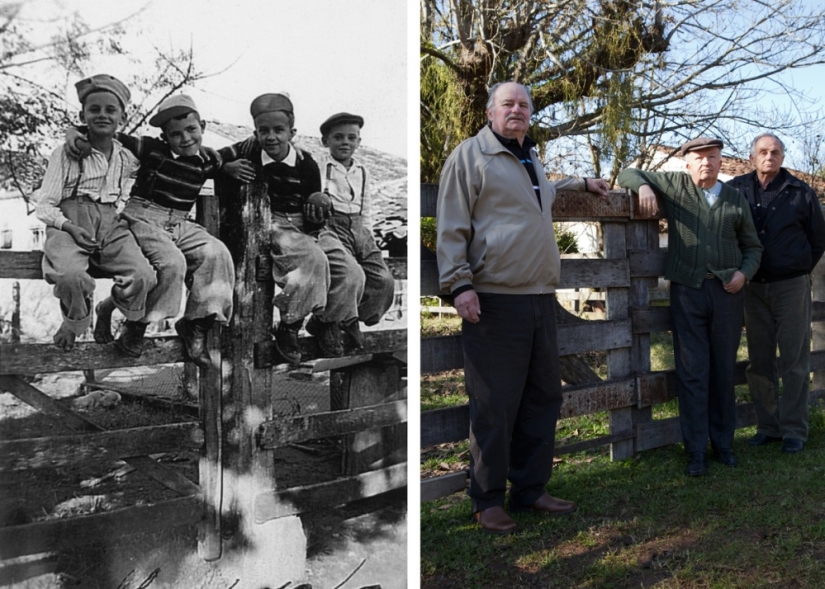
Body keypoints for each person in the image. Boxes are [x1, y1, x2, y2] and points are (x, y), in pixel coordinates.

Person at [437, 81, 609, 534]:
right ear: (490, 111)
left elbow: (542, 193)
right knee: (494, 404)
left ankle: (531, 488)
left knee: (542, 397)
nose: (517, 110)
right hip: (493, 299)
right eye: (508, 104)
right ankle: (487, 498)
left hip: (538, 297)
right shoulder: (470, 156)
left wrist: (582, 183)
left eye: (524, 105)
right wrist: (459, 285)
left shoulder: (529, 156)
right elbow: (452, 223)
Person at [617, 137, 763, 476]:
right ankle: (695, 451)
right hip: (688, 292)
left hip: (727, 294)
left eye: (712, 157)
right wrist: (644, 188)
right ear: (687, 164)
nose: (706, 164)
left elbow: (753, 247)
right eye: (699, 158)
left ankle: (723, 444)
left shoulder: (734, 199)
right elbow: (627, 173)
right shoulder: (676, 185)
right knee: (693, 371)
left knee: (724, 370)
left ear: (721, 161)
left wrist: (743, 274)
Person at [66, 94, 235, 367]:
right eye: (176, 134)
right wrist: (74, 133)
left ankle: (196, 325)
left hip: (180, 222)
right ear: (165, 137)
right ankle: (136, 326)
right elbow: (105, 133)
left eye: (192, 130)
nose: (186, 138)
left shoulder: (207, 159)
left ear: (202, 126)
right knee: (171, 264)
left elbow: (243, 148)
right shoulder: (152, 149)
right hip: (143, 218)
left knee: (217, 254)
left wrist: (229, 166)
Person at [220, 93, 364, 364]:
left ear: (292, 132)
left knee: (352, 272)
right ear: (255, 132)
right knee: (311, 260)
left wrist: (319, 204)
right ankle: (289, 324)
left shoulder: (305, 163)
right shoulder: (244, 151)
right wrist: (225, 167)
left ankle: (326, 322)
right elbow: (205, 160)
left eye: (278, 130)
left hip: (306, 226)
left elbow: (315, 213)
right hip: (271, 222)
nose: (271, 137)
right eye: (264, 131)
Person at [35, 74, 156, 354]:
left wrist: (121, 210)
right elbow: (44, 206)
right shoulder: (65, 153)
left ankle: (108, 309)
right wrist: (68, 227)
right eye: (95, 109)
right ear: (82, 115)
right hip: (69, 221)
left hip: (110, 221)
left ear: (122, 118)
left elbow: (131, 184)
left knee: (143, 275)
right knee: (69, 275)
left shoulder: (128, 157)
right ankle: (75, 320)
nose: (102, 115)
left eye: (110, 110)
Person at [727, 133, 825, 454]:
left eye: (776, 152)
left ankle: (795, 429)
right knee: (759, 360)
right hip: (752, 288)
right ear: (752, 156)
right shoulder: (736, 189)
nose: (769, 156)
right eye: (763, 152)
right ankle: (768, 426)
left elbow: (817, 241)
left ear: (783, 157)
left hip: (791, 286)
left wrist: (796, 268)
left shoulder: (800, 193)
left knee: (795, 361)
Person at [318, 112, 395, 344]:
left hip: (359, 226)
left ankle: (350, 317)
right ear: (326, 141)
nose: (345, 143)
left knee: (383, 280)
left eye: (351, 138)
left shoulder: (362, 171)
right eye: (338, 137)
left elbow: (367, 205)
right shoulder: (322, 167)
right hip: (333, 226)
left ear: (359, 142)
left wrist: (367, 234)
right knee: (352, 273)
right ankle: (343, 321)